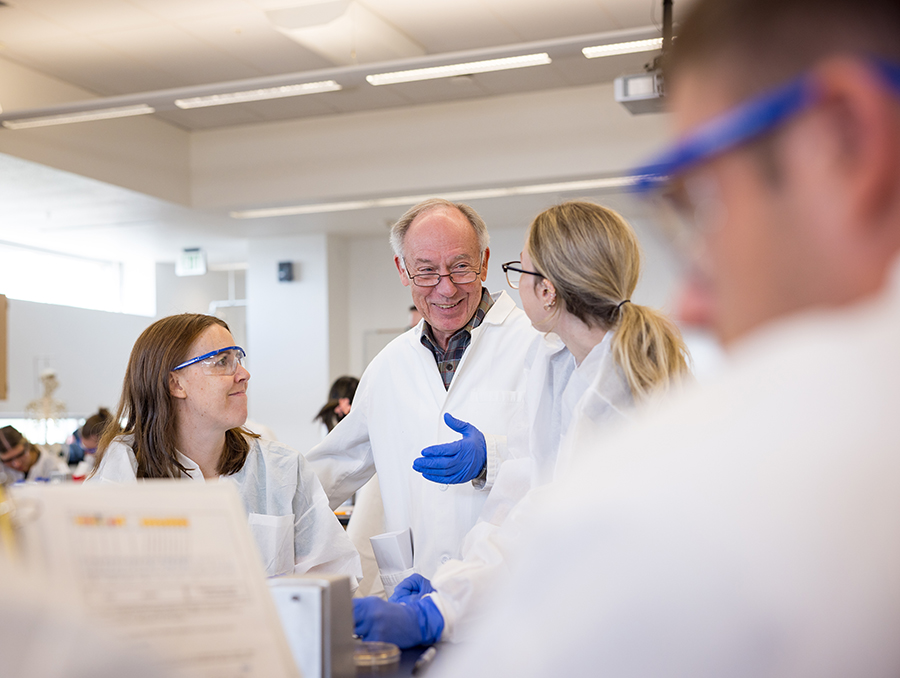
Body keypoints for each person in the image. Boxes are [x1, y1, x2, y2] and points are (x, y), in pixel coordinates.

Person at [431, 0, 900, 676]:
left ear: (843, 140)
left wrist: (444, 606)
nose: (692, 301)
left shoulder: (686, 496)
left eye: (701, 200)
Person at [353, 201, 692, 647]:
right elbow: (517, 505)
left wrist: (442, 607)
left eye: (522, 272)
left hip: (622, 624)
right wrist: (451, 586)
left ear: (548, 291)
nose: (513, 286)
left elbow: (543, 527)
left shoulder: (616, 397)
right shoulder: (560, 366)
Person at [306, 198, 537, 579]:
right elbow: (335, 466)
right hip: (417, 591)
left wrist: (491, 458)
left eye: (461, 267)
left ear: (483, 262)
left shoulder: (535, 346)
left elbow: (571, 460)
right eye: (426, 271)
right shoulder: (388, 366)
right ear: (402, 269)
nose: (445, 289)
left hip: (511, 594)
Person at [87, 313, 361, 582]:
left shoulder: (282, 468)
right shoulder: (122, 468)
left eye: (238, 359)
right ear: (176, 383)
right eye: (222, 362)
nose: (243, 374)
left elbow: (332, 578)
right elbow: (97, 583)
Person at [0, 426, 69, 482]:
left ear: (27, 446)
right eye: (8, 460)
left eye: (20, 455)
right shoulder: (1, 467)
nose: (17, 463)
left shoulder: (54, 465)